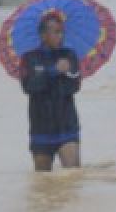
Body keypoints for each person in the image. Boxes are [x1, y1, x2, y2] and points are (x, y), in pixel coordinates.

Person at [20, 13, 82, 172]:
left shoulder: (69, 55)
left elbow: (75, 86)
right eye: (56, 32)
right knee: (43, 183)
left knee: (73, 176)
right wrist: (53, 71)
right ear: (43, 35)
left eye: (62, 32)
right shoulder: (29, 58)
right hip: (40, 127)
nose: (60, 36)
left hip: (66, 126)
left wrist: (68, 72)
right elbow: (29, 87)